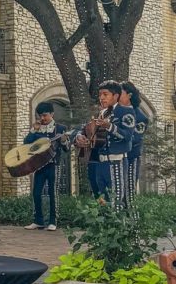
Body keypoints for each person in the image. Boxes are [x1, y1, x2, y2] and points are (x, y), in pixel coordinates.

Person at [75, 81, 135, 209]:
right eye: (100, 94)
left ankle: (118, 227)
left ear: (116, 96)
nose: (101, 98)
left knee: (116, 199)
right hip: (100, 162)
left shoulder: (126, 112)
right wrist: (80, 136)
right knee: (101, 199)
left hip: (116, 162)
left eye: (105, 94)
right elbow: (86, 128)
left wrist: (109, 126)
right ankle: (104, 227)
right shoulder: (101, 113)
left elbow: (127, 136)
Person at [24, 103, 69, 231]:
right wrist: (33, 131)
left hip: (54, 164)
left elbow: (66, 148)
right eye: (40, 116)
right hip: (39, 166)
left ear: (52, 114)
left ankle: (53, 221)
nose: (42, 118)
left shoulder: (60, 128)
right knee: (36, 193)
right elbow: (26, 144)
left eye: (45, 115)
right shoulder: (38, 128)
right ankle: (38, 220)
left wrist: (64, 140)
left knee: (52, 193)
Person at [120, 81, 149, 195]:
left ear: (129, 95)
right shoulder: (115, 112)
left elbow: (134, 138)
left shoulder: (140, 117)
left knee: (128, 190)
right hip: (114, 158)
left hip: (131, 157)